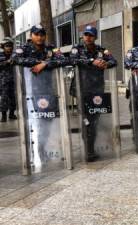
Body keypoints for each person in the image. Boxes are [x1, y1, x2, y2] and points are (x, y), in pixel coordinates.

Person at [12, 25, 68, 165]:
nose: (40, 37)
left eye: (42, 34)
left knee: (46, 124)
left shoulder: (50, 48)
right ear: (31, 35)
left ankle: (42, 150)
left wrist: (44, 64)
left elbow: (64, 60)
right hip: (30, 93)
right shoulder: (23, 48)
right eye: (36, 34)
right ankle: (33, 154)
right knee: (32, 123)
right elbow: (16, 59)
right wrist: (39, 62)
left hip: (48, 92)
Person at [70, 25, 117, 162]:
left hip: (97, 91)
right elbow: (72, 60)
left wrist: (105, 64)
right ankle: (89, 150)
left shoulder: (101, 50)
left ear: (95, 37)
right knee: (86, 121)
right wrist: (92, 61)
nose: (88, 37)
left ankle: (91, 148)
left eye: (91, 35)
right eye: (86, 35)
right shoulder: (77, 49)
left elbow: (114, 61)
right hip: (82, 90)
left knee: (94, 121)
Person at [0, 37, 16, 122]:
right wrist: (7, 62)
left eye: (10, 46)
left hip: (14, 80)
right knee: (4, 98)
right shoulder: (0, 55)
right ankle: (3, 115)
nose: (9, 47)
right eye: (7, 46)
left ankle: (12, 113)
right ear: (3, 46)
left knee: (13, 97)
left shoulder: (14, 55)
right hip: (3, 81)